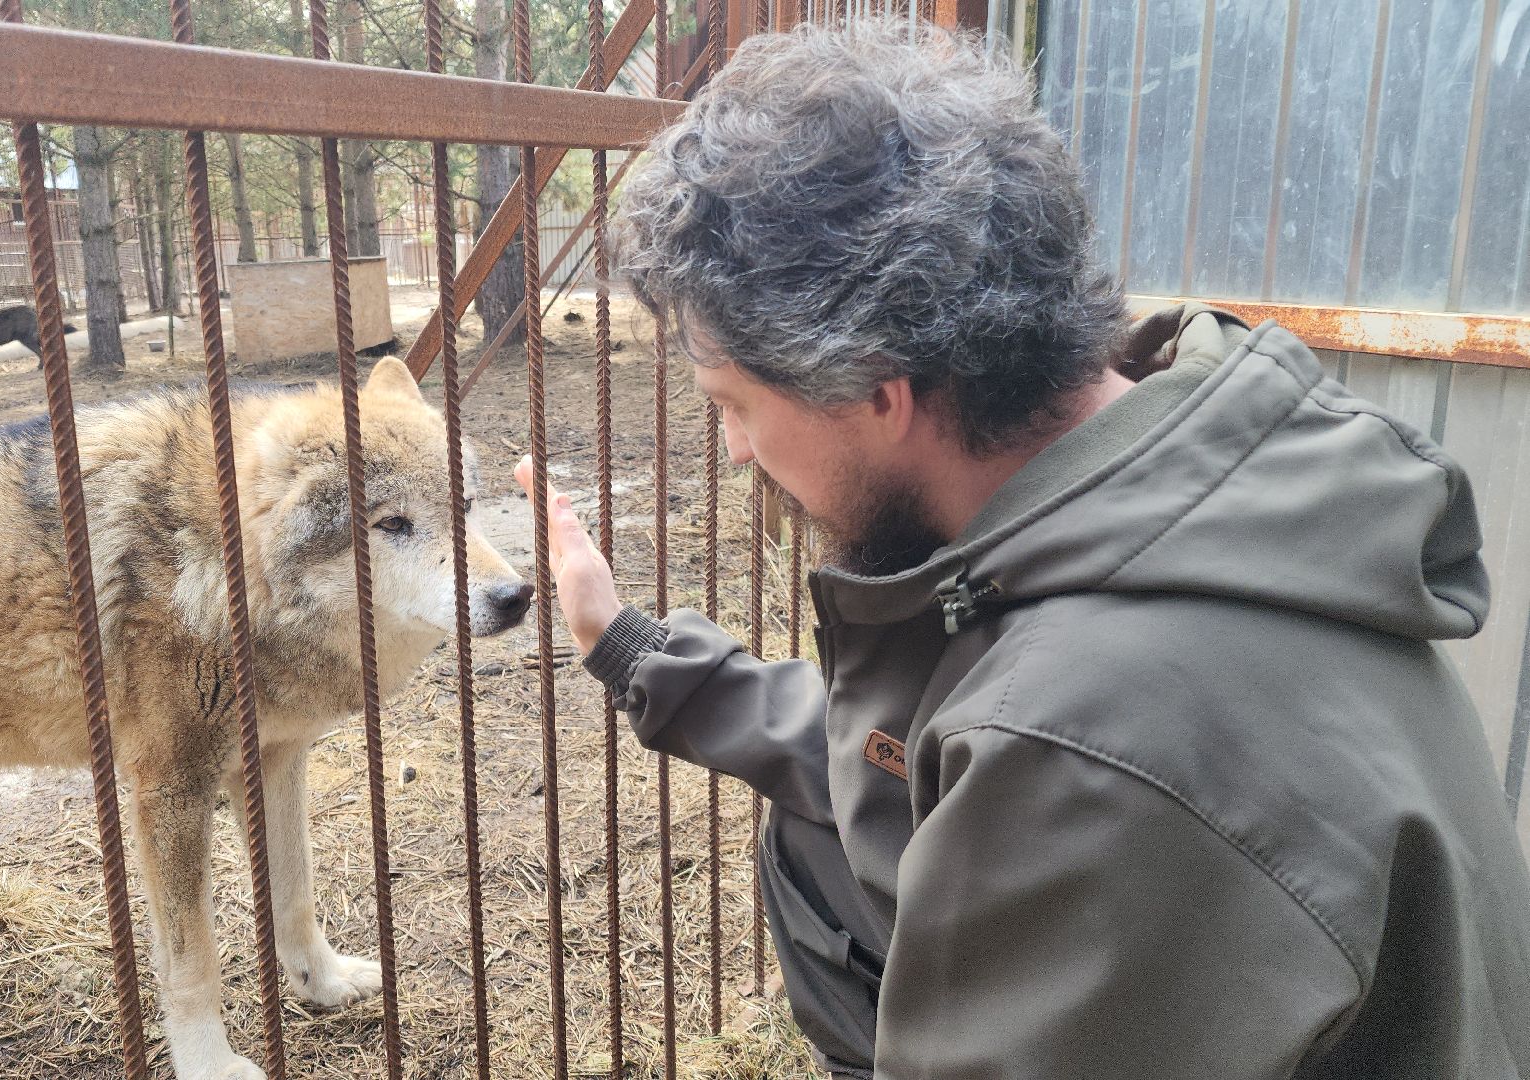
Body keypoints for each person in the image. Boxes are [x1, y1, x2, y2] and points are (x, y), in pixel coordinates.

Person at [513, 21, 1530, 1080]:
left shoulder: (1082, 736)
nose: (734, 449)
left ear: (875, 390)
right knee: (815, 841)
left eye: (732, 403)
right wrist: (631, 647)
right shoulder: (1169, 475)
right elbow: (895, 753)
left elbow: (1028, 745)